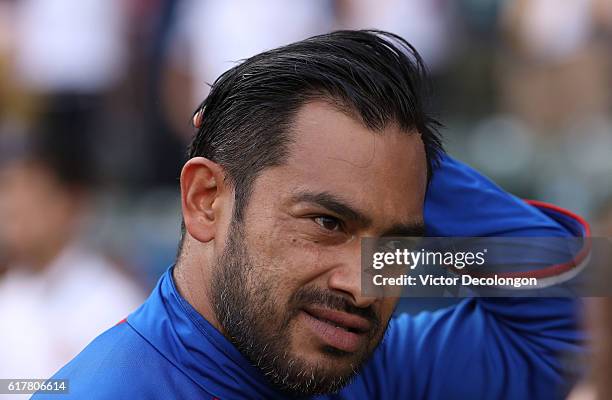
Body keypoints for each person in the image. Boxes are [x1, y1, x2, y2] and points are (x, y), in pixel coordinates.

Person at [33, 30, 588, 399]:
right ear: (206, 199)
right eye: (327, 223)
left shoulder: (365, 368)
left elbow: (570, 310)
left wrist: (403, 162)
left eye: (396, 245)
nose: (366, 285)